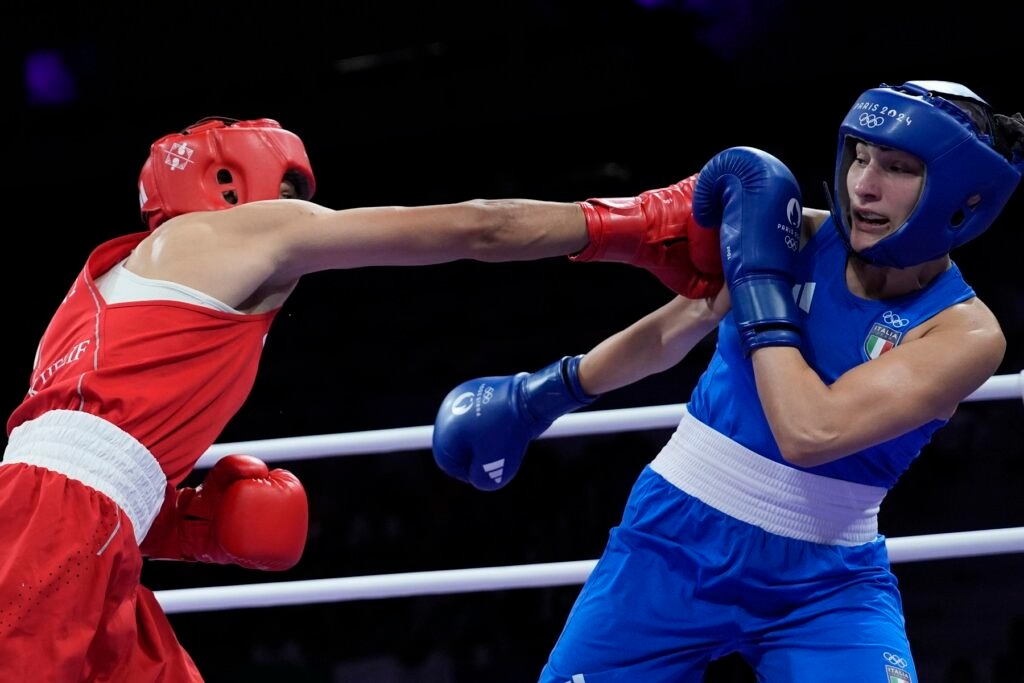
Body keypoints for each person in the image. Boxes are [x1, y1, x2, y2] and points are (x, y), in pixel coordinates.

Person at [0, 115, 724, 682]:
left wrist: (188, 526)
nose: (302, 212)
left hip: (88, 536)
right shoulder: (241, 230)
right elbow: (478, 225)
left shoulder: (97, 293)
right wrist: (637, 223)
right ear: (230, 185)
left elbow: (66, 473)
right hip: (64, 529)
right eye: (288, 193)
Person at [432, 80, 1024, 680]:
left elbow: (812, 431)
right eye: (861, 158)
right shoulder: (800, 235)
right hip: (671, 539)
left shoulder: (965, 335)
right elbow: (675, 330)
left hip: (827, 583)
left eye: (897, 167)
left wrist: (762, 289)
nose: (864, 186)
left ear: (960, 194)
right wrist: (543, 395)